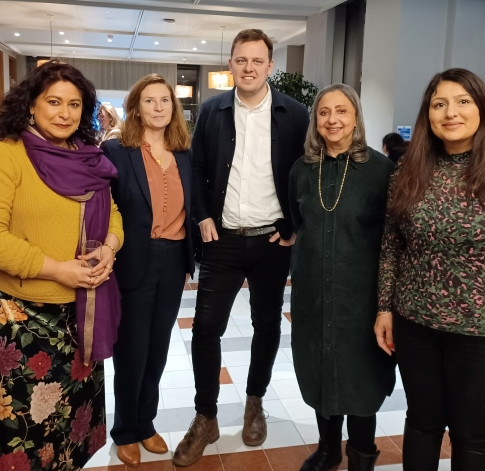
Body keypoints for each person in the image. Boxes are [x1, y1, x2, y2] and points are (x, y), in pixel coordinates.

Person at [374, 68, 485, 471]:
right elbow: (391, 247)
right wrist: (384, 308)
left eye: (462, 102)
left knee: (470, 436)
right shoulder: (408, 171)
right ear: (428, 114)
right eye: (439, 104)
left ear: (482, 109)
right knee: (421, 424)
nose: (450, 112)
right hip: (415, 322)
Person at [0, 61, 124, 471]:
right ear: (31, 105)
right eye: (53, 102)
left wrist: (109, 245)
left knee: (72, 424)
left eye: (75, 104)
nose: (64, 113)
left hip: (82, 314)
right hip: (21, 320)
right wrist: (57, 269)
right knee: (27, 432)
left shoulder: (87, 157)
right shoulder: (5, 156)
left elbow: (113, 212)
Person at [172, 29, 310, 467]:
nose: (248, 67)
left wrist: (295, 225)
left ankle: (255, 403)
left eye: (257, 60)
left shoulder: (296, 114)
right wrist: (202, 216)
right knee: (205, 329)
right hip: (224, 239)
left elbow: (307, 173)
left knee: (267, 324)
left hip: (272, 240)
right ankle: (205, 416)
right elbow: (195, 170)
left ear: (271, 66)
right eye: (240, 60)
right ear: (230, 65)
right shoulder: (213, 111)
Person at [289, 83, 397, 471]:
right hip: (313, 292)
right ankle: (327, 448)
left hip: (362, 295)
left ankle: (362, 456)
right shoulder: (302, 169)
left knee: (361, 376)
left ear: (356, 118)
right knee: (320, 368)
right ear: (315, 121)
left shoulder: (381, 171)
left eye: (342, 111)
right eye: (323, 112)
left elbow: (392, 237)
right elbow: (297, 221)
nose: (332, 119)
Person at [101, 74, 195, 468]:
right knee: (132, 351)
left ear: (174, 108)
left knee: (158, 351)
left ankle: (146, 422)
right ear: (135, 107)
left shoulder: (185, 153)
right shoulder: (118, 151)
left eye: (165, 101)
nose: (158, 107)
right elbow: (103, 206)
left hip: (173, 261)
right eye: (149, 100)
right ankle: (124, 430)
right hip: (134, 259)